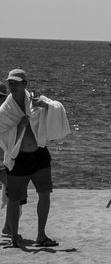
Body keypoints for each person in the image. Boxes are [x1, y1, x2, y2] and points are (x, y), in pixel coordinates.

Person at [0, 68, 68, 249]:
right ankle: (14, 239)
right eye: (10, 83)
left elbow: (58, 108)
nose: (12, 86)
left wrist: (45, 106)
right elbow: (1, 130)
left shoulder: (36, 102)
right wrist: (19, 126)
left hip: (39, 155)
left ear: (25, 84)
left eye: (16, 82)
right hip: (19, 158)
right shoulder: (6, 110)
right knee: (14, 199)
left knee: (44, 194)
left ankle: (41, 235)